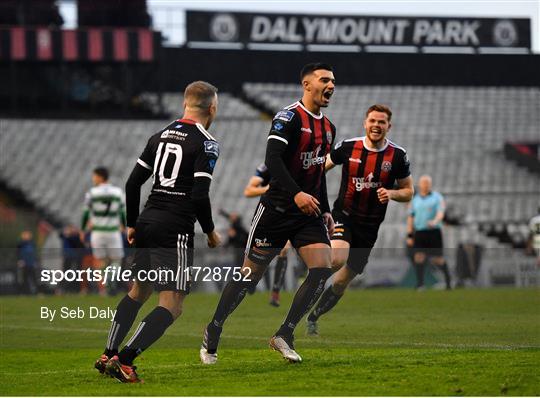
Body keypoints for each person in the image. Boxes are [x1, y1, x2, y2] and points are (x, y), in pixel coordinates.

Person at [200, 62, 336, 364]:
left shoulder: (328, 127)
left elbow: (318, 173)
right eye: (324, 80)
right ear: (307, 85)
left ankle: (284, 334)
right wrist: (297, 193)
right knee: (249, 277)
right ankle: (214, 326)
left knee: (322, 268)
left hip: (307, 214)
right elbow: (272, 160)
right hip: (275, 211)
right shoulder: (288, 117)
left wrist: (324, 209)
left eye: (333, 81)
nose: (331, 86)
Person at [95, 81, 222, 383]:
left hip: (147, 221)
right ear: (212, 108)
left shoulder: (159, 136)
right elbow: (200, 196)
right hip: (174, 227)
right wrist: (210, 232)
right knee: (172, 305)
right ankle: (124, 361)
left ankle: (108, 352)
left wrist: (130, 223)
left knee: (138, 292)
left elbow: (132, 183)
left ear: (184, 104)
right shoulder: (206, 143)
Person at [306, 104, 414, 335]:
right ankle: (309, 288)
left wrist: (392, 193)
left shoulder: (398, 155)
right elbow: (320, 168)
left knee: (341, 282)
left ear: (388, 126)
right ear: (365, 123)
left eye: (381, 122)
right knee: (335, 259)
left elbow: (408, 192)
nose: (376, 125)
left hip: (370, 227)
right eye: (372, 121)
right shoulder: (348, 147)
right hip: (344, 216)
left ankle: (314, 316)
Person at [244, 162, 294, 306]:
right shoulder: (268, 166)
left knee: (284, 250)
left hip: (292, 215)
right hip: (270, 216)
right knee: (255, 265)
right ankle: (252, 281)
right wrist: (271, 188)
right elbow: (249, 190)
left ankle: (275, 292)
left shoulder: (302, 163)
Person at [81, 167, 126, 295]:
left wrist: (83, 229)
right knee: (116, 260)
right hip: (113, 232)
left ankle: (105, 286)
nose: (93, 179)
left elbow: (86, 213)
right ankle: (111, 282)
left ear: (100, 177)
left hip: (98, 232)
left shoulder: (92, 193)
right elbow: (122, 212)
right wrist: (124, 226)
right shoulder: (118, 192)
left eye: (94, 176)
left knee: (100, 261)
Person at [407, 175, 451, 290]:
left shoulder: (437, 197)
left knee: (438, 259)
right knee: (418, 257)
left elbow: (441, 213)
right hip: (420, 232)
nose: (425, 185)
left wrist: (435, 221)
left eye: (427, 183)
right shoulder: (415, 200)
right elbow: (411, 217)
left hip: (434, 232)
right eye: (423, 183)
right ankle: (420, 284)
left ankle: (448, 282)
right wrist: (410, 235)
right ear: (420, 184)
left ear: (430, 185)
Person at [17, 230, 38, 294]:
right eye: (25, 235)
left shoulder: (32, 244)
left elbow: (34, 254)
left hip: (31, 264)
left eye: (27, 235)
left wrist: (35, 261)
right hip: (24, 264)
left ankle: (36, 292)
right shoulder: (21, 244)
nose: (26, 236)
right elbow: (18, 253)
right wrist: (19, 260)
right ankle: (24, 292)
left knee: (34, 279)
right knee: (24, 279)